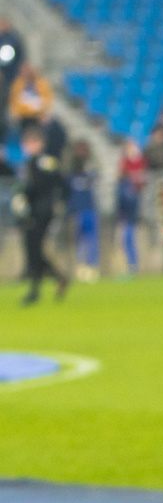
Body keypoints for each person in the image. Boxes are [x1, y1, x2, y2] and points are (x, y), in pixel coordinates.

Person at [15, 126, 69, 305]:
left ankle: (35, 291)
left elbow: (58, 184)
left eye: (30, 143)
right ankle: (58, 277)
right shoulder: (31, 163)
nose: (27, 147)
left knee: (34, 248)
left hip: (42, 211)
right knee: (33, 249)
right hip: (33, 211)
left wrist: (59, 203)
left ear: (39, 143)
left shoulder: (44, 162)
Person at [67, 141, 99, 278]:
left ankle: (92, 266)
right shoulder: (71, 173)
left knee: (92, 239)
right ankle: (81, 267)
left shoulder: (90, 170)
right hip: (78, 211)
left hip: (89, 209)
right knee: (80, 240)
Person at [116, 139, 145, 273]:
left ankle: (132, 265)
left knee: (129, 239)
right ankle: (130, 265)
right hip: (126, 215)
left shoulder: (131, 183)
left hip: (131, 215)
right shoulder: (123, 182)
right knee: (125, 240)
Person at [0, 16, 25, 144]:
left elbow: (20, 58)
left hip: (12, 78)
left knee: (11, 108)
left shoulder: (14, 39)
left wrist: (16, 74)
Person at [8, 63, 52, 131]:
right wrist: (15, 113)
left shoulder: (42, 84)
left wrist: (45, 113)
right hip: (23, 116)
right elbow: (13, 100)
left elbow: (47, 100)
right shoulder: (18, 84)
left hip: (38, 116)